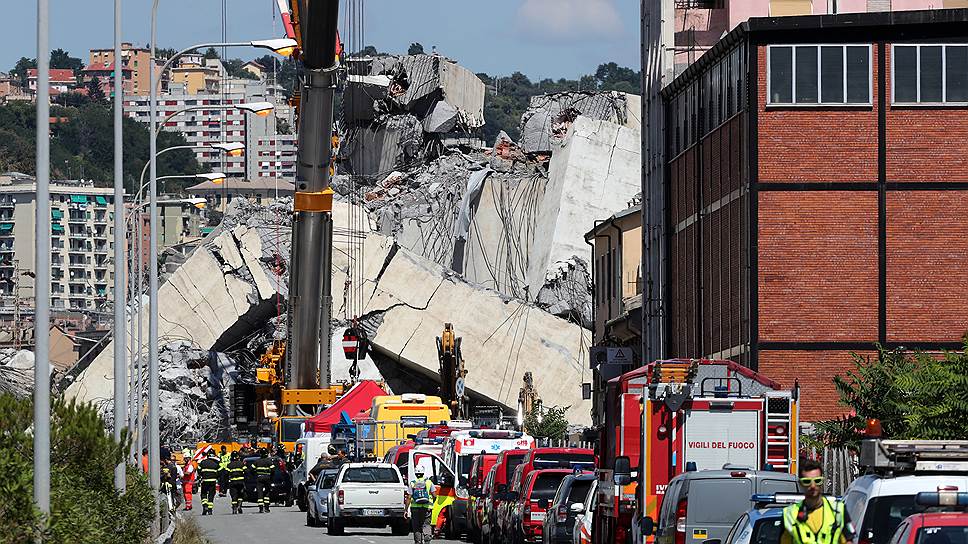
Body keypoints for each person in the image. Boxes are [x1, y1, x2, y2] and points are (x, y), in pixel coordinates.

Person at [781, 459, 854, 544]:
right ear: (800, 483)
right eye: (807, 481)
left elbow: (849, 541)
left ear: (822, 482)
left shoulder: (838, 511)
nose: (813, 486)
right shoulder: (789, 514)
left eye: (817, 481)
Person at [406, 467, 435, 544]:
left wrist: (406, 510)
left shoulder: (412, 483)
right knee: (426, 524)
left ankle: (418, 541)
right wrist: (431, 503)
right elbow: (434, 495)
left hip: (415, 508)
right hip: (427, 508)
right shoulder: (429, 482)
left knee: (416, 526)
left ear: (415, 474)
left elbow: (409, 497)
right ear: (423, 473)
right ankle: (427, 539)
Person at [198, 449, 221, 516]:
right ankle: (210, 510)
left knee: (203, 494)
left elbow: (199, 470)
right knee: (211, 495)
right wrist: (216, 477)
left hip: (205, 480)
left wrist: (202, 475)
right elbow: (219, 472)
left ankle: (205, 506)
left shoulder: (203, 462)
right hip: (213, 481)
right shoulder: (216, 463)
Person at [253, 448, 275, 513]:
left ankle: (261, 508)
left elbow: (251, 469)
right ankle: (267, 508)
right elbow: (273, 470)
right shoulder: (269, 461)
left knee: (260, 492)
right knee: (267, 492)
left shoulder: (257, 461)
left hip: (259, 478)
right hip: (267, 478)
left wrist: (255, 474)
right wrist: (271, 477)